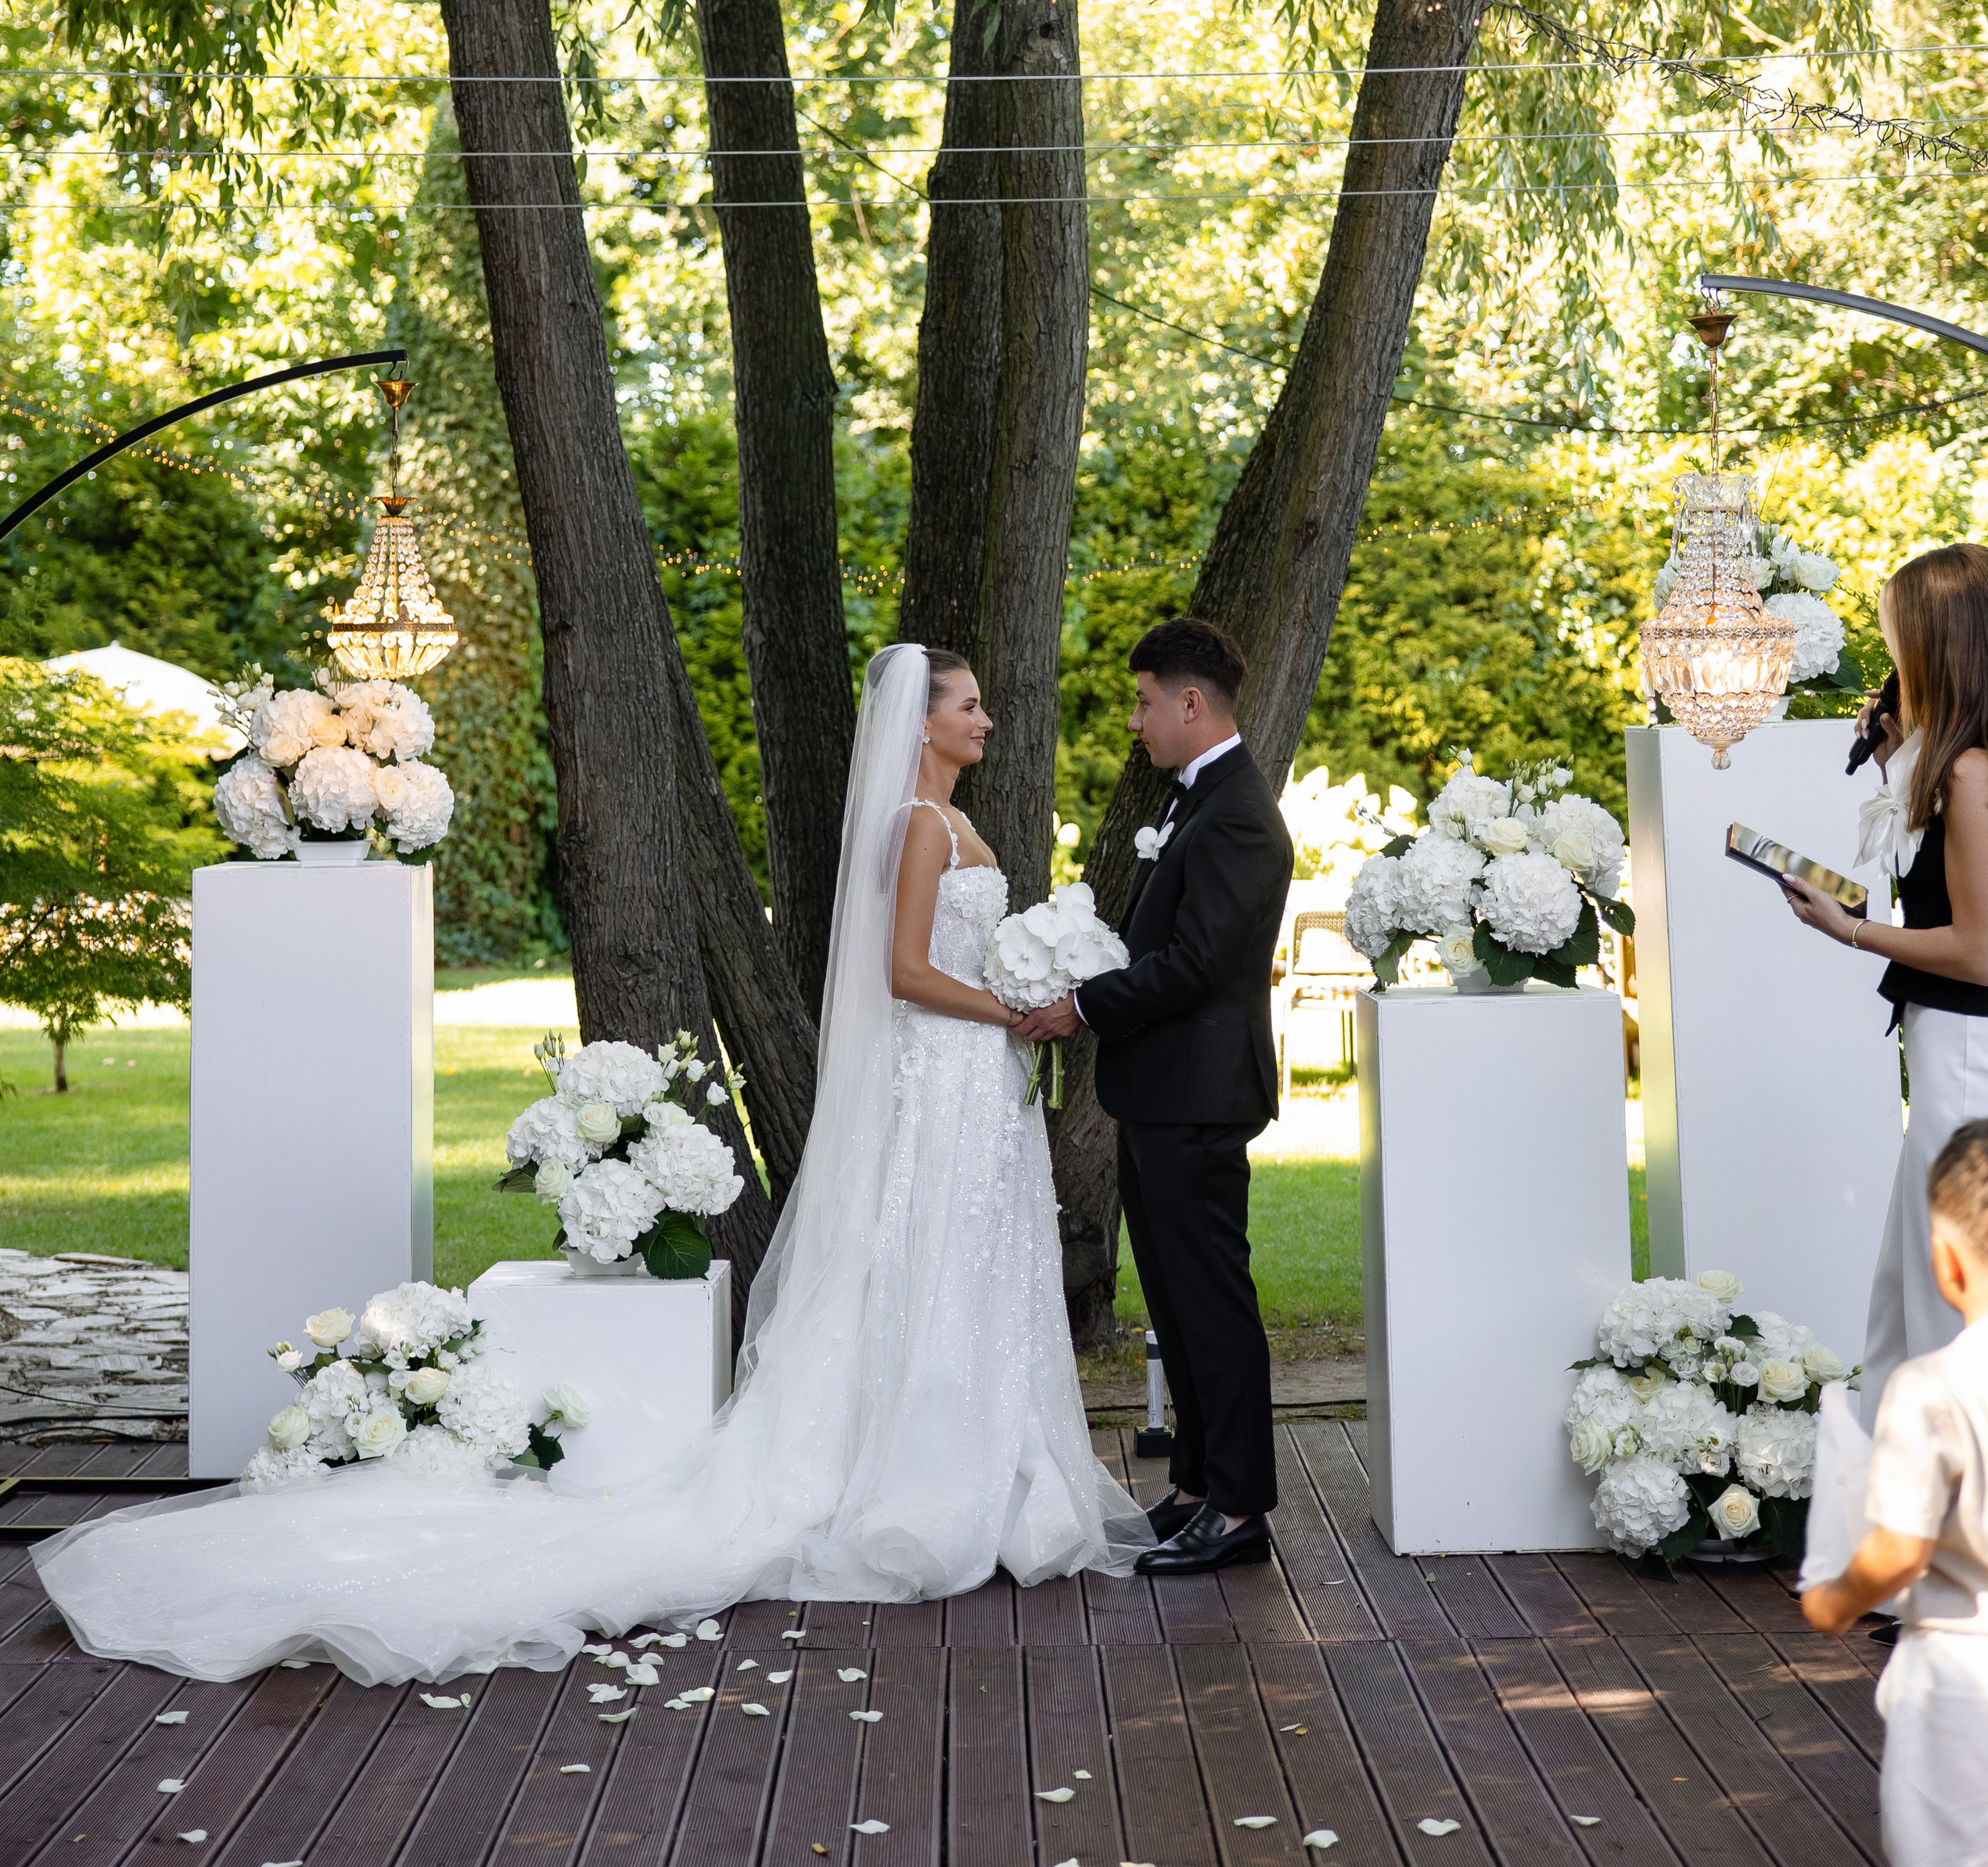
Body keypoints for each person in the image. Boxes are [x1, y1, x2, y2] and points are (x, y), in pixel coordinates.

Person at [32, 646, 1149, 1683]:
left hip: (975, 1090)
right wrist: (1017, 1009)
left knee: (970, 1274)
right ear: (924, 727)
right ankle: (925, 1484)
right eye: (968, 706)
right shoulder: (917, 827)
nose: (988, 719)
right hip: (948, 1077)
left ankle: (987, 1469)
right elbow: (904, 972)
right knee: (930, 1268)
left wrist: (1019, 1008)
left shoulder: (955, 823)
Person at [1016, 615, 1293, 1575]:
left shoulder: (1242, 815)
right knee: (1174, 1301)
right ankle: (1193, 1488)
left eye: (1142, 702)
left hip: (1200, 1095)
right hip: (1164, 1092)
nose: (1134, 721)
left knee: (1210, 1301)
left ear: (1189, 703)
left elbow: (1197, 964)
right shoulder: (1196, 803)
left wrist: (1081, 1004)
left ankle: (1242, 1508)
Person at [1781, 544, 1988, 1425]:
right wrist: (1894, 752)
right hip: (1950, 1057)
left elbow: (1984, 953)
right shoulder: (1959, 760)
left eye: (1897, 635)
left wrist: (1852, 931)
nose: (1890, 654)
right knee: (1908, 1303)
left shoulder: (1972, 771)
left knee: (1948, 1315)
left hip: (1970, 1069)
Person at [1803, 1117, 1988, 1867]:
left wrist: (1834, 1602)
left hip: (1966, 1676)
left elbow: (1898, 1550)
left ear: (1947, 1263)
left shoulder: (1931, 1389)